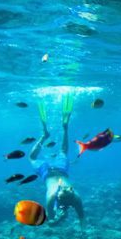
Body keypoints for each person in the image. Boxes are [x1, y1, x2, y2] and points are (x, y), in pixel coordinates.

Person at [29, 94, 85, 227]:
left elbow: (81, 218)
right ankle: (45, 135)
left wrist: (58, 217)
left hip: (60, 169)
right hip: (46, 171)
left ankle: (59, 130)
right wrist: (58, 219)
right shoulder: (59, 197)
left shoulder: (73, 197)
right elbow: (52, 221)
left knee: (63, 151)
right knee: (32, 158)